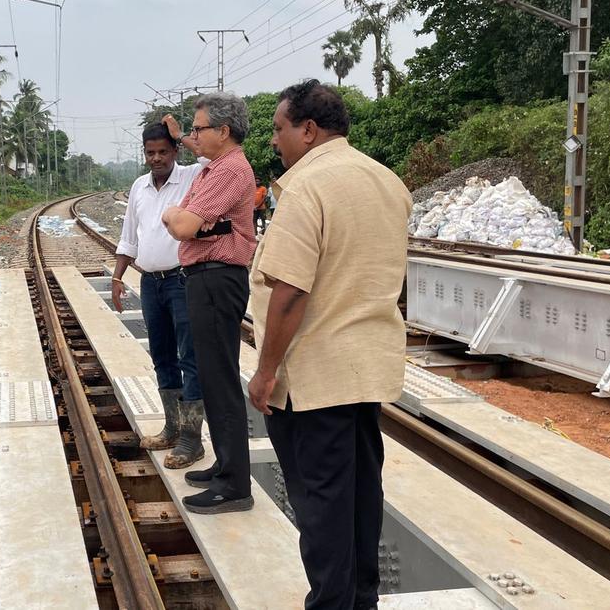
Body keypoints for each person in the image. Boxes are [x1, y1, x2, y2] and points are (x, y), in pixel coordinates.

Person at [247, 79, 411, 610]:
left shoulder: (306, 187)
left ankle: (331, 604)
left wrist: (265, 370)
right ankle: (362, 600)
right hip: (365, 371)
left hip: (314, 378)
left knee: (321, 508)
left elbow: (291, 291)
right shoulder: (387, 181)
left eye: (279, 128)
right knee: (361, 497)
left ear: (309, 130)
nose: (274, 141)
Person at [160, 92, 257, 515]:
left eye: (199, 129)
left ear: (223, 130)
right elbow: (182, 219)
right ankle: (224, 466)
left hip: (218, 279)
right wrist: (190, 222)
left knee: (220, 380)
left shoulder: (230, 171)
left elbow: (180, 224)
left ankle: (235, 484)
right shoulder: (213, 168)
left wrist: (186, 222)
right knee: (214, 377)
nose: (193, 136)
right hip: (205, 279)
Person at [112, 122, 207, 469]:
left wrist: (181, 133)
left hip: (181, 281)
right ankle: (171, 427)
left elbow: (212, 157)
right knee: (162, 356)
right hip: (150, 283)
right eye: (150, 152)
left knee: (190, 357)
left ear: (175, 151)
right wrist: (118, 276)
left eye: (163, 151)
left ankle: (192, 440)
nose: (156, 158)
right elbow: (129, 237)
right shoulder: (139, 187)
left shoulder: (193, 177)